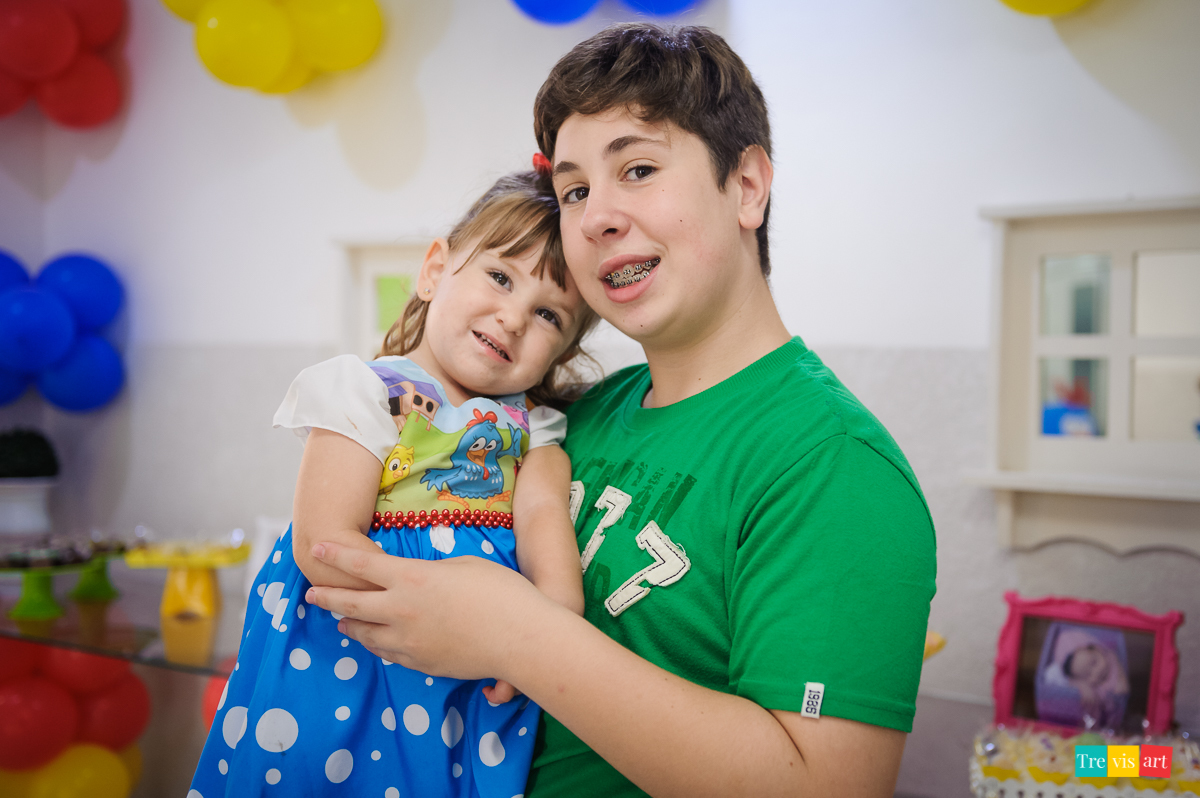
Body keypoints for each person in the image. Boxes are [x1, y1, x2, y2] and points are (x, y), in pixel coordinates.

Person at [304, 23, 937, 797]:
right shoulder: (561, 418)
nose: (595, 218)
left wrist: (516, 633)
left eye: (637, 169)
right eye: (574, 191)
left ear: (746, 186)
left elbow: (826, 787)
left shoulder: (829, 463)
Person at [190, 170, 598, 798]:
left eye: (548, 313)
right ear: (435, 269)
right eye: (499, 276)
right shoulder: (367, 390)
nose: (513, 316)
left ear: (563, 349)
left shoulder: (534, 429)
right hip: (349, 645)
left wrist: (552, 628)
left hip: (474, 663)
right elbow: (325, 545)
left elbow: (544, 518)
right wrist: (434, 609)